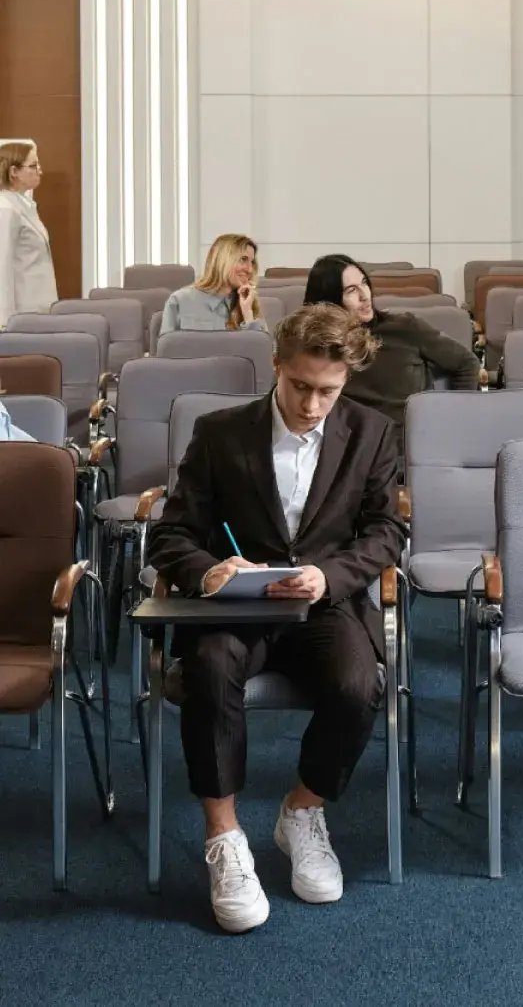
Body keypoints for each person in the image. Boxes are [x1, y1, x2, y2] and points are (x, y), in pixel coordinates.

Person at [148, 303, 406, 933]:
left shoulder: (371, 432)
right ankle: (225, 836)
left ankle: (303, 810)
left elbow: (385, 532)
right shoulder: (220, 433)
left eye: (328, 391)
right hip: (237, 605)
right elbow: (171, 535)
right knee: (208, 669)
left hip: (323, 601)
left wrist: (331, 575)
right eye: (300, 387)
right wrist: (210, 570)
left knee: (358, 683)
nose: (313, 405)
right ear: (277, 366)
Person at [304, 253, 480, 466]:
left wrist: (451, 425)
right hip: (348, 459)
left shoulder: (404, 328)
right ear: (329, 300)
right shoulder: (315, 347)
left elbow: (467, 364)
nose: (365, 296)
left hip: (411, 454)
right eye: (351, 290)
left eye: (364, 284)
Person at [0, 140, 57, 328]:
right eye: (33, 166)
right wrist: (5, 323)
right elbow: (3, 268)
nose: (40, 171)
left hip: (40, 309)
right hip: (21, 316)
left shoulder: (25, 206)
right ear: (14, 171)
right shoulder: (6, 209)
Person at [162, 234, 269, 334]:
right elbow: (167, 350)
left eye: (252, 262)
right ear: (222, 260)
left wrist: (248, 314)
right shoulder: (180, 301)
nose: (250, 270)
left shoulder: (248, 302)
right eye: (243, 259)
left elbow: (262, 351)